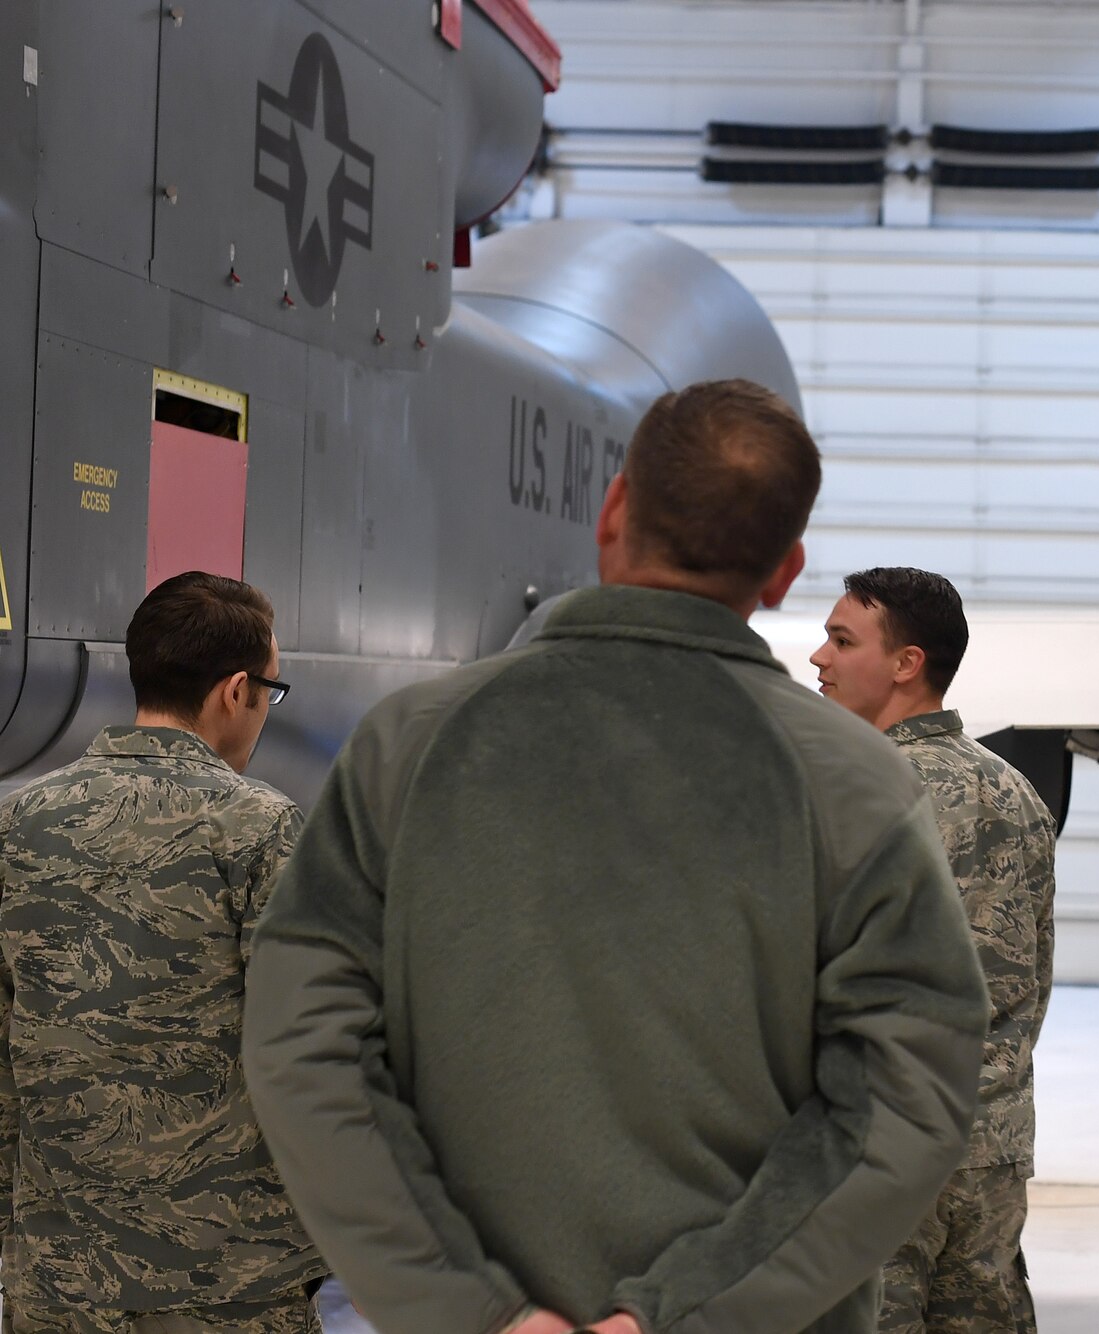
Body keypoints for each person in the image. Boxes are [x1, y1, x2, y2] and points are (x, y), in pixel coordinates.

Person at [241, 381, 990, 1334]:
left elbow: (303, 1046)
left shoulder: (410, 745)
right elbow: (905, 1104)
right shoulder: (858, 787)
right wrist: (679, 1313)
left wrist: (467, 1307)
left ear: (613, 512)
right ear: (785, 570)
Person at [0, 572, 324, 1334]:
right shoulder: (261, 829)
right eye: (269, 693)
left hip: (55, 1282)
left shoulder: (22, 820)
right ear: (236, 690)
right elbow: (311, 1051)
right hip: (224, 1288)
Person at [810, 568, 1056, 1334]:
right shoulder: (1015, 791)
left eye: (842, 639)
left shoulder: (856, 790)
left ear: (906, 663)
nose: (819, 657)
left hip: (882, 1153)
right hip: (992, 1155)